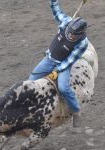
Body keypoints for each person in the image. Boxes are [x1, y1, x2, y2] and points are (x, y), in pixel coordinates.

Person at [29, 0, 89, 128]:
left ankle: (76, 110)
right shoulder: (66, 22)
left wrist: (57, 70)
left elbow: (70, 60)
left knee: (63, 88)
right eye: (70, 33)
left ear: (81, 34)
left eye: (74, 35)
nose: (71, 36)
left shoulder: (83, 43)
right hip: (49, 58)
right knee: (31, 81)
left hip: (63, 64)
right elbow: (56, 11)